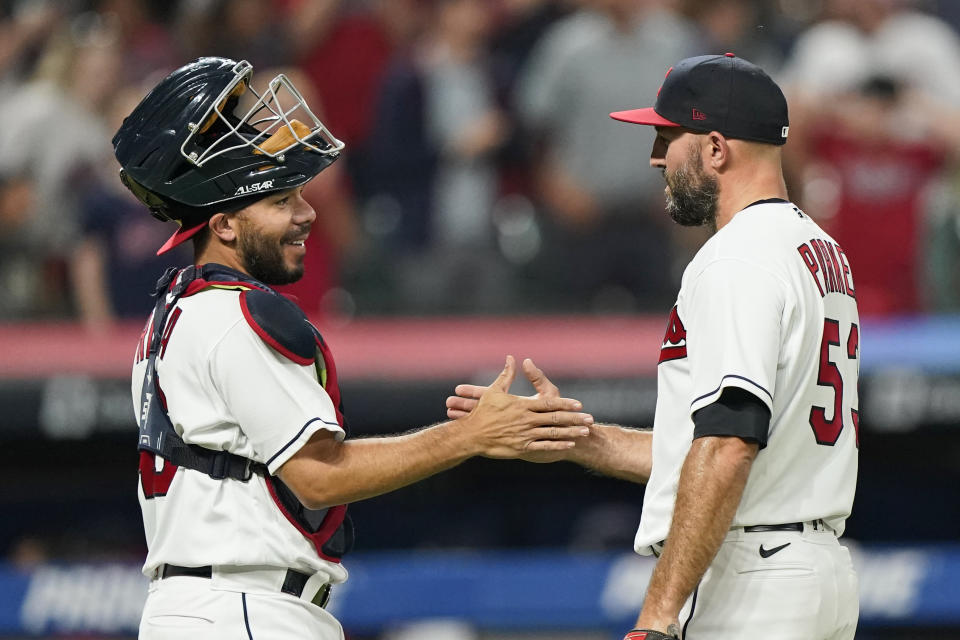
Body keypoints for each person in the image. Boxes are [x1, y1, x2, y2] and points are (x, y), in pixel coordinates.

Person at [113, 57, 594, 640]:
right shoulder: (237, 313)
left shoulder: (178, 308)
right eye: (280, 200)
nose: (306, 213)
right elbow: (317, 476)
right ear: (224, 225)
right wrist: (469, 436)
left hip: (202, 605)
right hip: (243, 607)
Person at [449, 54, 861, 639]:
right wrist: (576, 440)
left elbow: (727, 445)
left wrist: (656, 615)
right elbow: (713, 445)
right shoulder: (818, 250)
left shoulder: (736, 258)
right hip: (811, 570)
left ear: (716, 149)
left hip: (753, 579)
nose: (654, 157)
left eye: (668, 137)